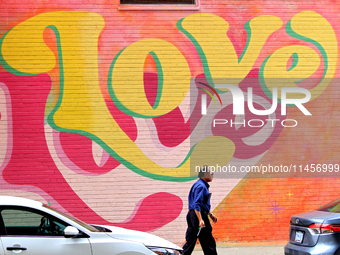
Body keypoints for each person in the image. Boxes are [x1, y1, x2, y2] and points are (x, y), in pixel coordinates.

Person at [182, 165, 218, 255]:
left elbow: (202, 204)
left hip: (192, 215)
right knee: (208, 241)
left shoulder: (197, 184)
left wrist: (210, 214)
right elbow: (197, 204)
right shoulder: (201, 186)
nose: (212, 175)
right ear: (205, 174)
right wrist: (200, 219)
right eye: (211, 173)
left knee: (190, 241)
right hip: (198, 216)